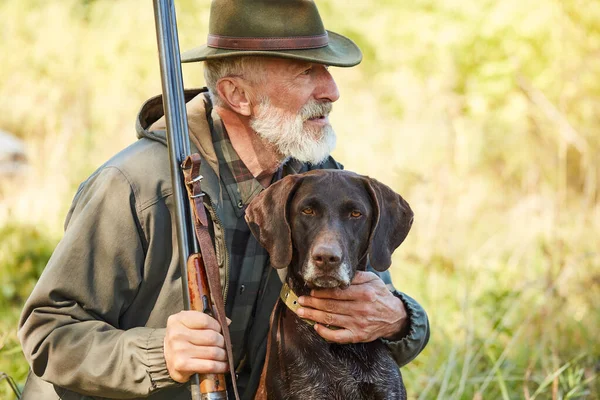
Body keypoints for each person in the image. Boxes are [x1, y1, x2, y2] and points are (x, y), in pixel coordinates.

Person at [18, 1, 430, 399]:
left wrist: (398, 319)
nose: (332, 90)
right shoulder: (134, 186)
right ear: (238, 95)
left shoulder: (314, 179)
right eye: (307, 72)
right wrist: (157, 355)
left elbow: (372, 301)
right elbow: (48, 331)